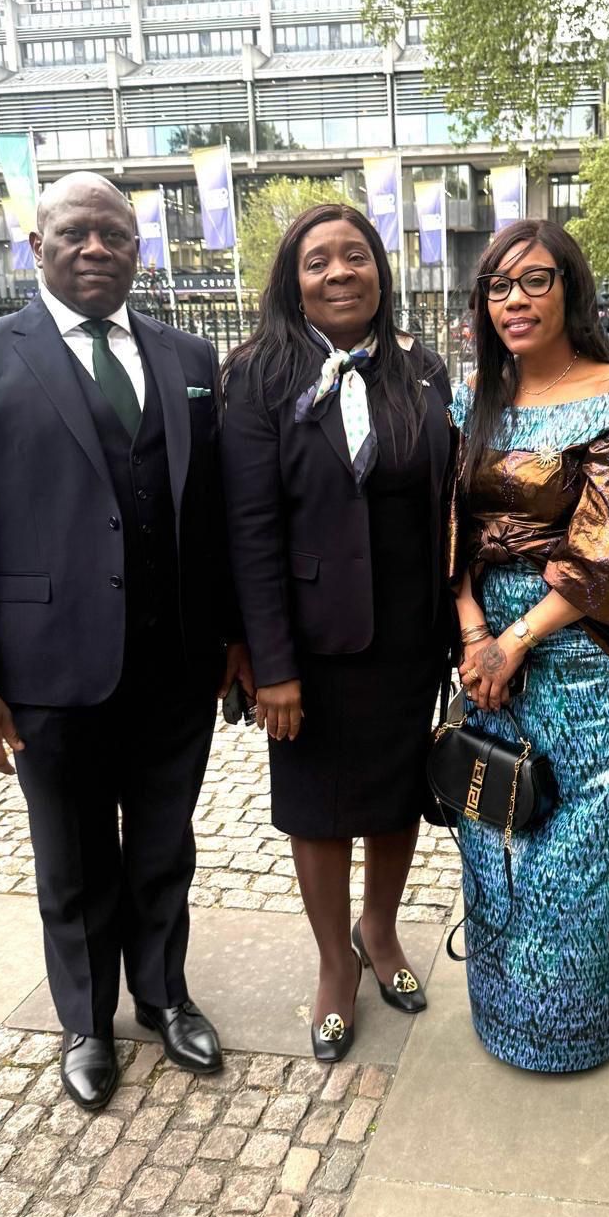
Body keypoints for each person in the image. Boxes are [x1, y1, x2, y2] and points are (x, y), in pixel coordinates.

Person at [0, 172, 250, 1112]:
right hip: (47, 666)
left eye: (115, 234)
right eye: (74, 233)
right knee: (70, 854)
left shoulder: (188, 356)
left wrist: (232, 637)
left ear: (139, 249)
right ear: (38, 246)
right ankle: (85, 1021)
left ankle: (164, 996)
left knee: (163, 844)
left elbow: (213, 515)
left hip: (174, 663)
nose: (96, 248)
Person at [221, 204, 454, 1062]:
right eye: (317, 261)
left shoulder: (420, 371)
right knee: (317, 809)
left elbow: (445, 502)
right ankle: (333, 964)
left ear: (381, 273)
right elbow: (248, 529)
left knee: (395, 797)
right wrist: (271, 664)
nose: (339, 273)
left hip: (408, 634)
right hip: (311, 645)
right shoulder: (257, 376)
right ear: (294, 282)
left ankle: (379, 932)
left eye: (355, 256)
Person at [451, 219, 609, 1072]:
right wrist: (475, 632)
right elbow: (446, 526)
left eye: (534, 281)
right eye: (498, 286)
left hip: (583, 656)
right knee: (493, 836)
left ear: (570, 289)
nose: (515, 300)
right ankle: (503, 1017)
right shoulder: (473, 399)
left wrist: (516, 639)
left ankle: (571, 1030)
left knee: (575, 859)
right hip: (485, 659)